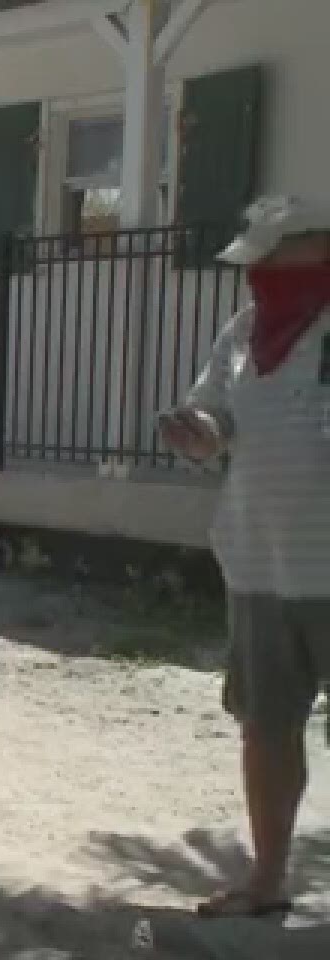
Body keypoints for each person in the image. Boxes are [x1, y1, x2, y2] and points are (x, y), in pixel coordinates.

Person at [158, 195, 330, 921]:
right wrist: (196, 431)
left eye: (267, 259)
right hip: (259, 565)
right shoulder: (244, 329)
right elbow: (216, 418)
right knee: (266, 724)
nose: (256, 274)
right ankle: (266, 880)